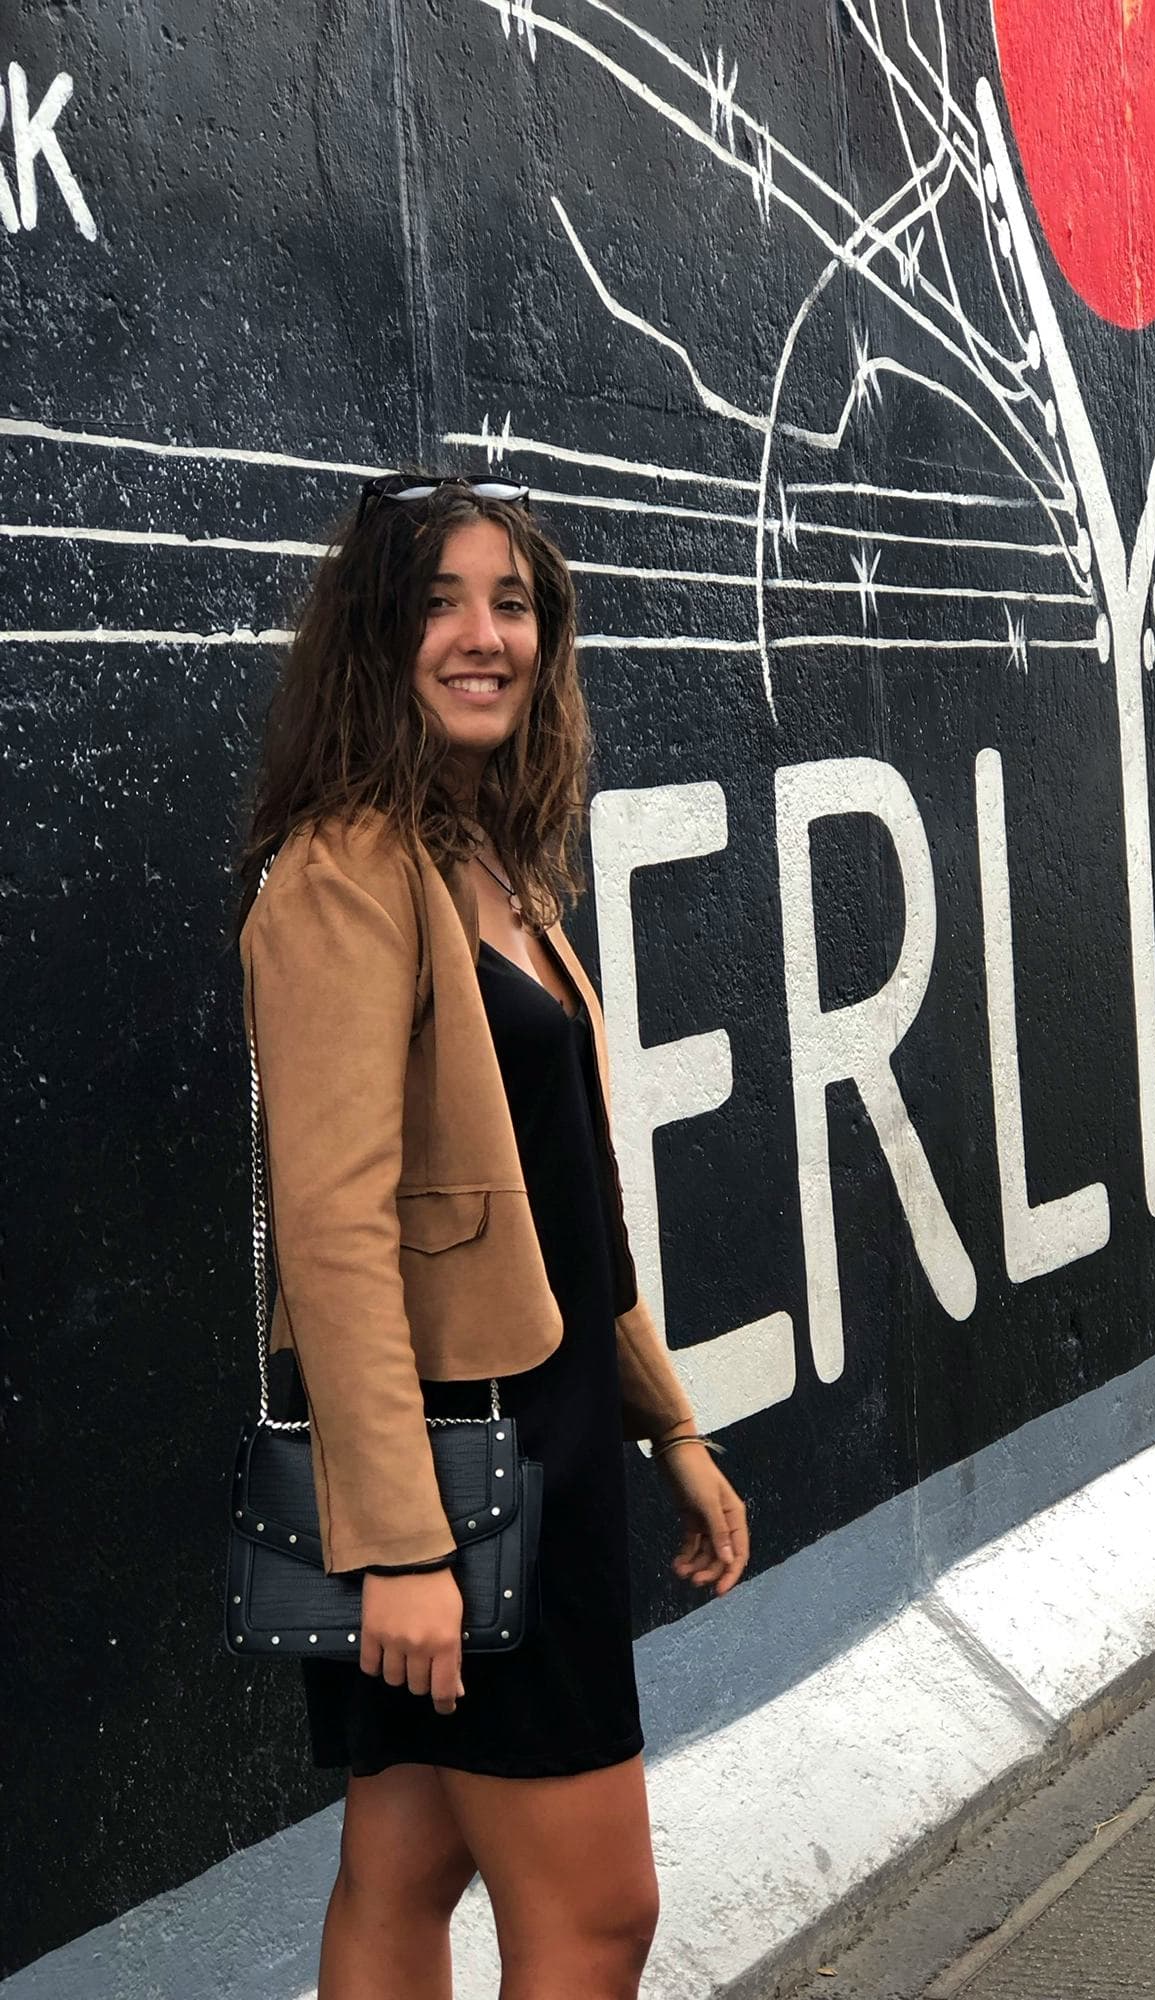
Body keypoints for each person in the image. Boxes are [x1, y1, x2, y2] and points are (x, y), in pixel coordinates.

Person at [233, 470, 750, 2000]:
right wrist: (396, 1546)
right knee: (599, 1917)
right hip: (463, 1475)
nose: (484, 635)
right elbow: (331, 1232)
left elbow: (558, 1200)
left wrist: (669, 1425)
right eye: (442, 602)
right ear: (375, 638)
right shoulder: (342, 875)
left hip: (549, 1431)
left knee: (405, 1869)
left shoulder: (490, 864)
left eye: (512, 602)